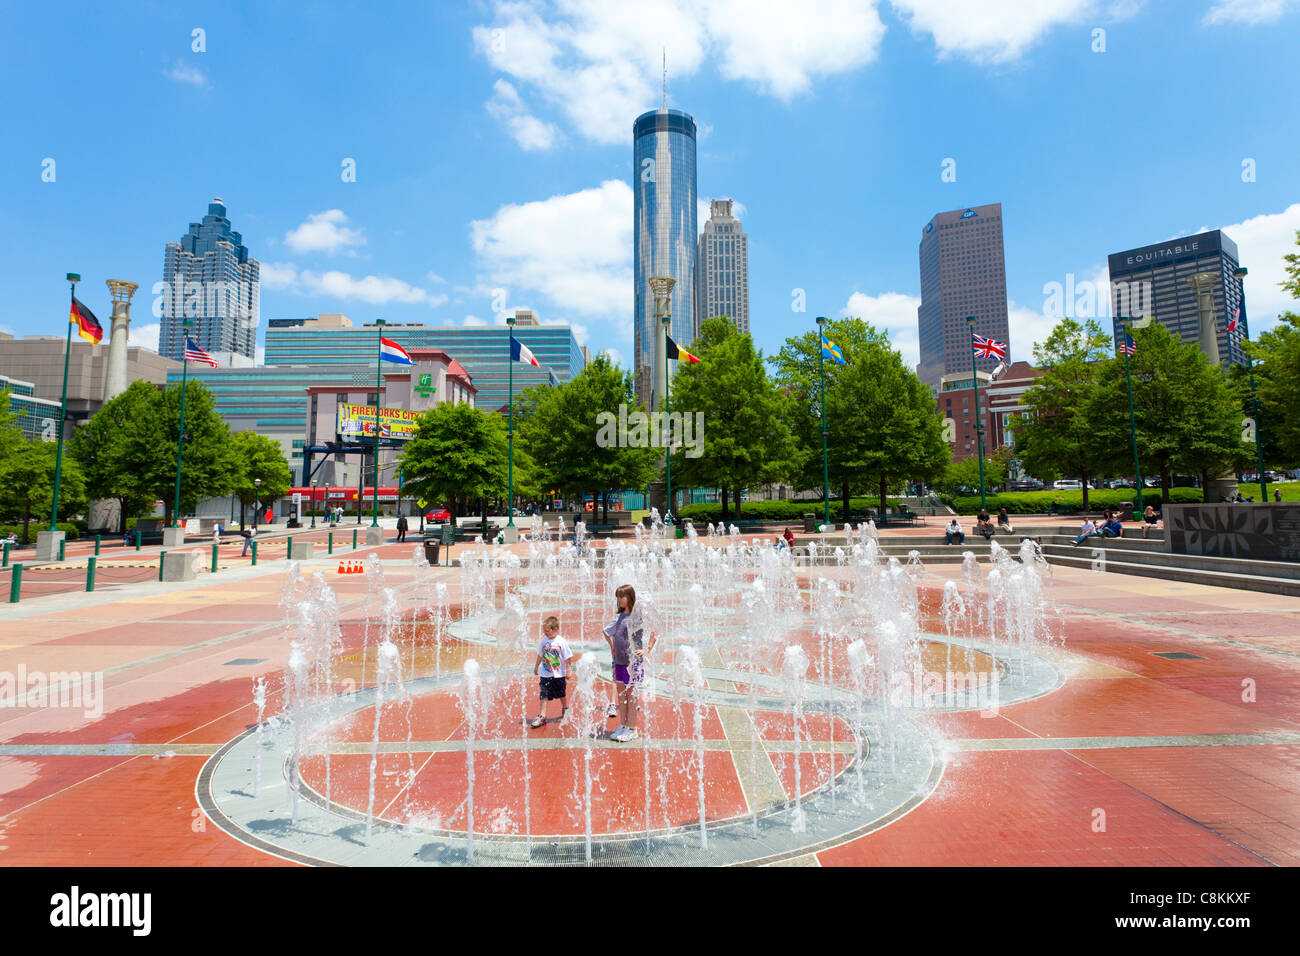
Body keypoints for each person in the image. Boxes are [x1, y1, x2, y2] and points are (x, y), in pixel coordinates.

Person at [602, 584, 657, 743]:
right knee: (621, 695)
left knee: (631, 696)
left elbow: (656, 629)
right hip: (619, 661)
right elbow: (606, 632)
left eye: (622, 597)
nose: (619, 600)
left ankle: (632, 728)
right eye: (618, 597)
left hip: (632, 663)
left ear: (630, 598)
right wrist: (612, 648)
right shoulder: (619, 617)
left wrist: (647, 649)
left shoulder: (637, 616)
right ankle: (623, 725)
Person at [529, 615, 574, 728]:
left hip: (558, 674)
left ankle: (565, 708)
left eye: (547, 631)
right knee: (543, 694)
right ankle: (542, 716)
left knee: (561, 693)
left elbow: (568, 657)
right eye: (544, 632)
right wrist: (536, 666)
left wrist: (568, 670)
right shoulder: (544, 641)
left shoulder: (561, 641)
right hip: (546, 673)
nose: (545, 634)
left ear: (555, 629)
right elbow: (540, 654)